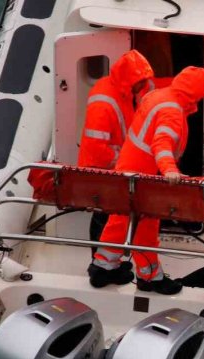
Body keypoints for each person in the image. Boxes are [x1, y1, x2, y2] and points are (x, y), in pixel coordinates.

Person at [88, 66, 204, 295]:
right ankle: (150, 277)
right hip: (145, 179)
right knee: (146, 227)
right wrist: (169, 171)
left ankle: (103, 268)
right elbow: (162, 142)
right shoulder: (173, 111)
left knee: (119, 221)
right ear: (194, 94)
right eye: (203, 96)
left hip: (128, 170)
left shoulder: (158, 96)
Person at [77, 50, 155, 248]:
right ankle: (99, 262)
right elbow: (97, 149)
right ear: (130, 80)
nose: (144, 85)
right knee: (103, 218)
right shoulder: (103, 104)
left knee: (111, 217)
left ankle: (107, 262)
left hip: (114, 169)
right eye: (141, 80)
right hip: (101, 171)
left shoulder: (122, 91)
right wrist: (125, 160)